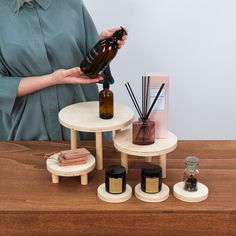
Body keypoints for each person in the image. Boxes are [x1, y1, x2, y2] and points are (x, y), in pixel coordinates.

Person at [0, 0, 127, 140]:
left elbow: (89, 67)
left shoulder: (72, 4)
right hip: (27, 129)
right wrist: (51, 79)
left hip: (82, 120)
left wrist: (101, 44)